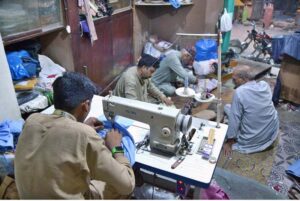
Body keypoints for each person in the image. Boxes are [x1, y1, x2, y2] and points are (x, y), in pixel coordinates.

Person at [14, 72, 135, 199]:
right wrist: (117, 148)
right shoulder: (84, 134)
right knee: (120, 185)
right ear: (85, 105)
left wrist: (79, 126)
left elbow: (56, 138)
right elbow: (127, 185)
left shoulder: (32, 120)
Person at [223, 65, 279, 156]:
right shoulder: (264, 85)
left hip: (252, 139)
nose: (233, 82)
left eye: (234, 79)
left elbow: (235, 119)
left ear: (243, 79)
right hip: (270, 132)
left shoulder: (240, 92)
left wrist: (229, 142)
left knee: (228, 108)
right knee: (230, 108)